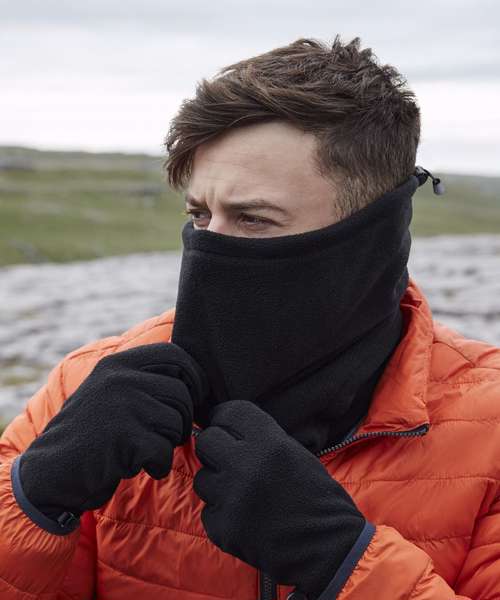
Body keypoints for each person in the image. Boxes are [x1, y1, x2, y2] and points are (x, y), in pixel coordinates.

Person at [0, 35, 499, 600]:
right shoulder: (89, 385)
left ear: (367, 235)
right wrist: (33, 499)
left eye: (253, 219)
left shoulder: (490, 427)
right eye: (199, 215)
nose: (210, 248)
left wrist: (340, 559)